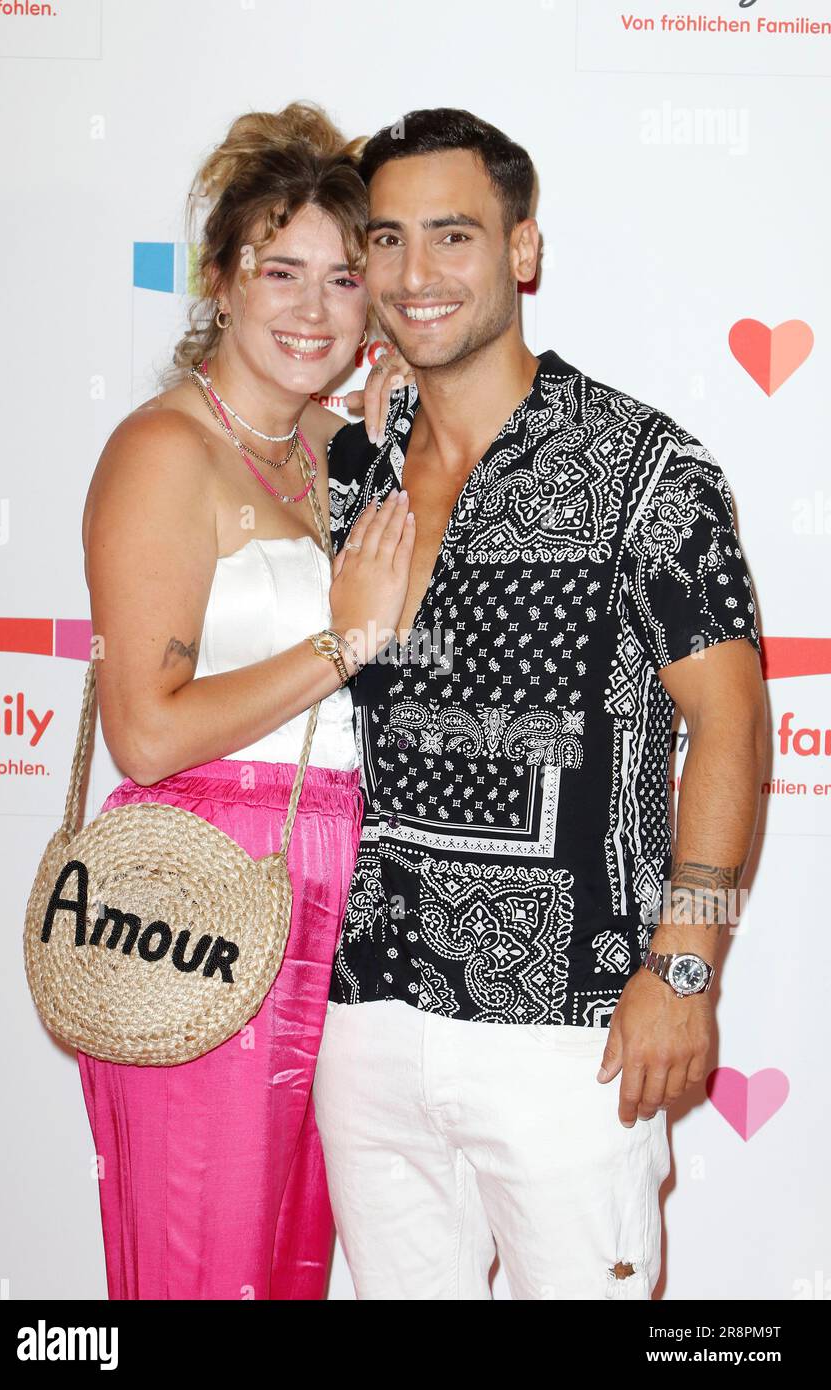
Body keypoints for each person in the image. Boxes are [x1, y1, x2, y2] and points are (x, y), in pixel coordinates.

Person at [313, 107, 768, 1301]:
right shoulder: (348, 468)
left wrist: (685, 967)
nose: (418, 276)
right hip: (366, 1013)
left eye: (454, 237)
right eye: (392, 241)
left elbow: (730, 725)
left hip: (576, 1027)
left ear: (524, 251)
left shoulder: (647, 466)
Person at [75, 101, 415, 1301]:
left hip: (347, 895)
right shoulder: (165, 451)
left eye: (341, 279)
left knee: (294, 1265)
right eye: (281, 271)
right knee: (200, 1260)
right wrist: (343, 641)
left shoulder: (344, 448)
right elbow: (147, 728)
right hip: (203, 886)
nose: (314, 312)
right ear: (219, 277)